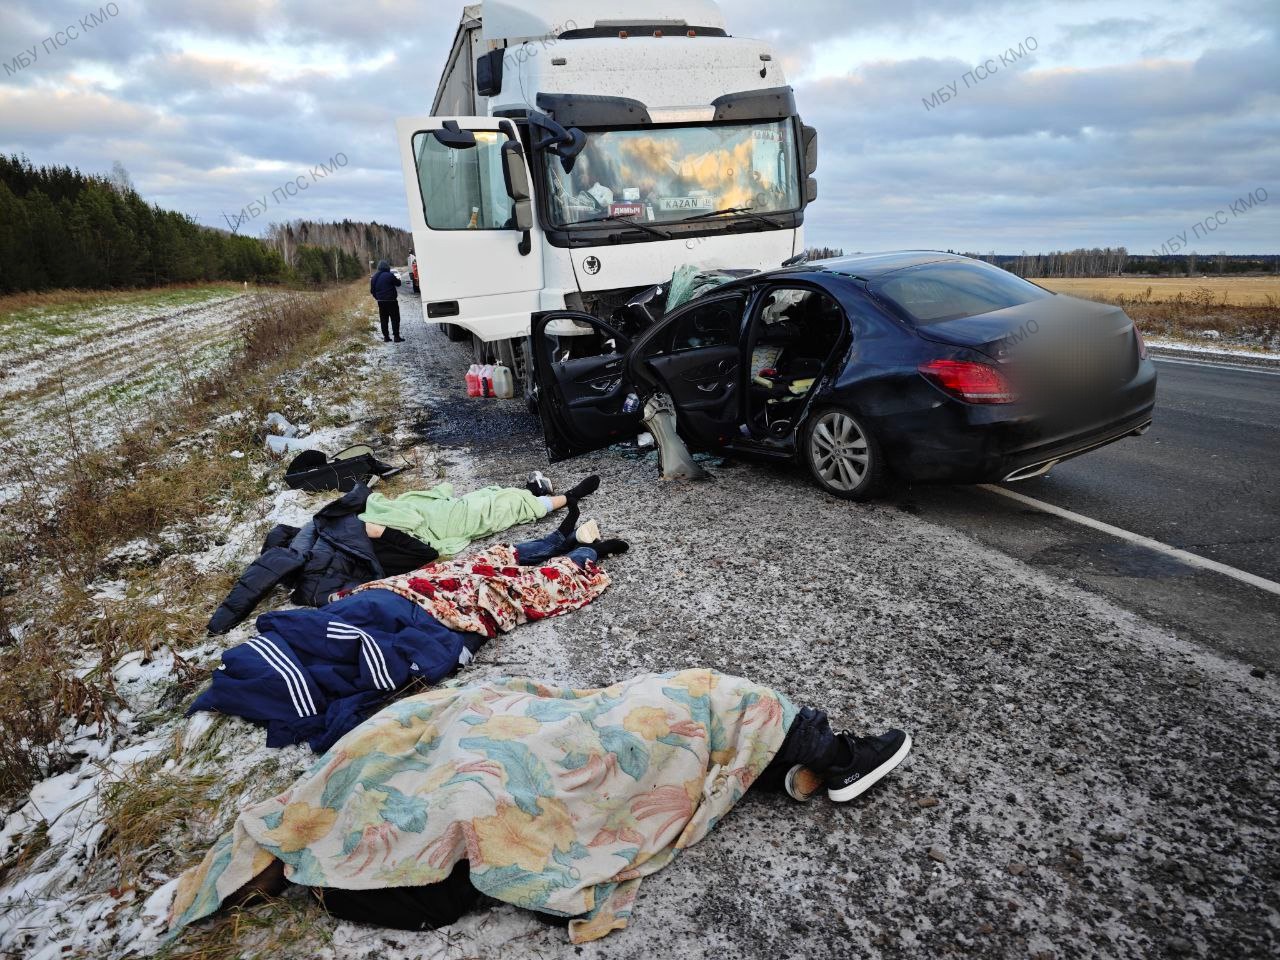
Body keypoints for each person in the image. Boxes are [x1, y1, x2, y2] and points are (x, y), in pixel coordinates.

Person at [169, 667, 910, 943]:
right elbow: (495, 846)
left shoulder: (347, 801)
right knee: (714, 699)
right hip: (543, 755)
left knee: (689, 707)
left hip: (510, 727)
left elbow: (400, 736)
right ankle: (832, 759)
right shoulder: (405, 877)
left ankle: (788, 758)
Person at [370, 259, 403, 343]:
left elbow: (372, 291)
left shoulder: (374, 277)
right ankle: (396, 337)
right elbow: (398, 283)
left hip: (381, 301)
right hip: (391, 301)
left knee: (384, 319)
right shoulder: (389, 275)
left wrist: (377, 297)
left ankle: (386, 337)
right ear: (387, 267)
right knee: (395, 318)